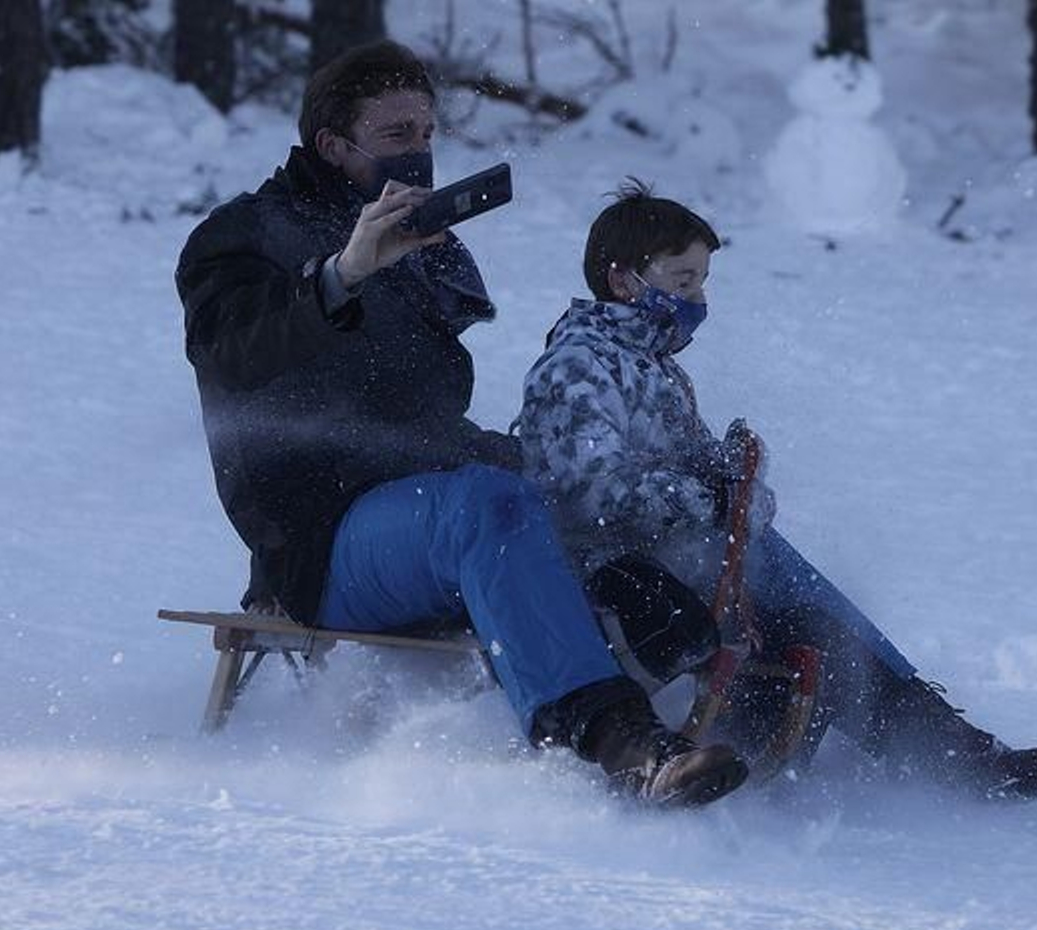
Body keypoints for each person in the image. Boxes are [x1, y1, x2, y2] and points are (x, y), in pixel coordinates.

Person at [173, 44, 746, 807]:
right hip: (318, 537)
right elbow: (235, 351)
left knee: (594, 489)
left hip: (424, 504)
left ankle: (889, 708)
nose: (419, 152)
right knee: (486, 502)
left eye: (426, 133)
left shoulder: (412, 240)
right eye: (396, 135)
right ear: (334, 147)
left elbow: (424, 411)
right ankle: (618, 739)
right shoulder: (242, 235)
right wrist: (346, 272)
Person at [518, 180, 1037, 802]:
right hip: (612, 571)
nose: (697, 298)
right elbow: (587, 494)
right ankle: (946, 746)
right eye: (682, 282)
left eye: (702, 282)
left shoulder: (661, 371)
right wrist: (710, 501)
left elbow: (710, 475)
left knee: (809, 610)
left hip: (681, 554)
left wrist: (741, 491)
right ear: (625, 282)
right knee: (780, 569)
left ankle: (936, 746)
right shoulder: (577, 365)